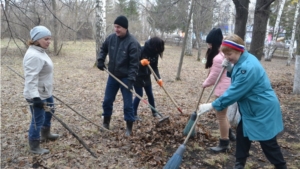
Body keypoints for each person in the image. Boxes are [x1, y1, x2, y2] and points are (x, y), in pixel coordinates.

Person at [198, 34, 287, 169]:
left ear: (239, 50)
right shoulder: (244, 60)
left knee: (268, 143)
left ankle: (281, 166)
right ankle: (239, 164)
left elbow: (235, 91)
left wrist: (212, 105)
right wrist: (231, 70)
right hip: (251, 109)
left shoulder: (248, 67)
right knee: (242, 136)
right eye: (225, 54)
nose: (227, 57)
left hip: (262, 109)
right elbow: (239, 76)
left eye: (230, 53)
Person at [97, 15, 140, 136]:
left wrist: (131, 80)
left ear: (125, 28)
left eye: (119, 27)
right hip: (112, 75)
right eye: (115, 27)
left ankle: (129, 126)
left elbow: (134, 64)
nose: (116, 29)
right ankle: (106, 122)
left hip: (126, 78)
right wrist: (100, 59)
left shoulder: (133, 43)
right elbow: (103, 49)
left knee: (128, 104)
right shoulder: (111, 38)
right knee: (107, 100)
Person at [23, 25, 59, 154]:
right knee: (37, 119)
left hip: (44, 91)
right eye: (46, 39)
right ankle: (34, 145)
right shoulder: (34, 55)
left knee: (50, 111)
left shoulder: (40, 51)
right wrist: (36, 98)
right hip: (37, 94)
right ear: (37, 39)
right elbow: (31, 79)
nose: (49, 42)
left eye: (50, 39)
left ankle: (46, 134)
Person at [202, 28, 236, 153]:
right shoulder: (223, 54)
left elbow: (213, 77)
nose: (208, 45)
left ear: (214, 43)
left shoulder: (218, 58)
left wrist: (205, 83)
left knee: (221, 116)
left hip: (222, 91)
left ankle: (224, 143)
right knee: (223, 115)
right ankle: (230, 134)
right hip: (228, 89)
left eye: (210, 43)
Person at [133, 37, 165, 121]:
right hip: (137, 76)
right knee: (139, 95)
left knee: (150, 94)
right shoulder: (142, 50)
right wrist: (140, 63)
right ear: (153, 45)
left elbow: (154, 67)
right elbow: (133, 64)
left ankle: (154, 112)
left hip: (146, 76)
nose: (158, 50)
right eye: (158, 47)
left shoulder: (155, 53)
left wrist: (158, 78)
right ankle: (133, 114)